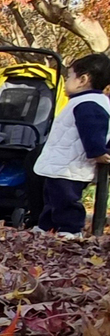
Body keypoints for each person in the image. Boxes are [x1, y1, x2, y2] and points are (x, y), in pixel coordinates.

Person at [31, 53, 110, 239]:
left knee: (66, 199)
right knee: (52, 198)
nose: (66, 81)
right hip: (62, 163)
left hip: (70, 165)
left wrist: (98, 152)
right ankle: (46, 227)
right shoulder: (81, 102)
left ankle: (71, 230)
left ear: (83, 79)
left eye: (69, 76)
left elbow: (93, 130)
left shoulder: (88, 104)